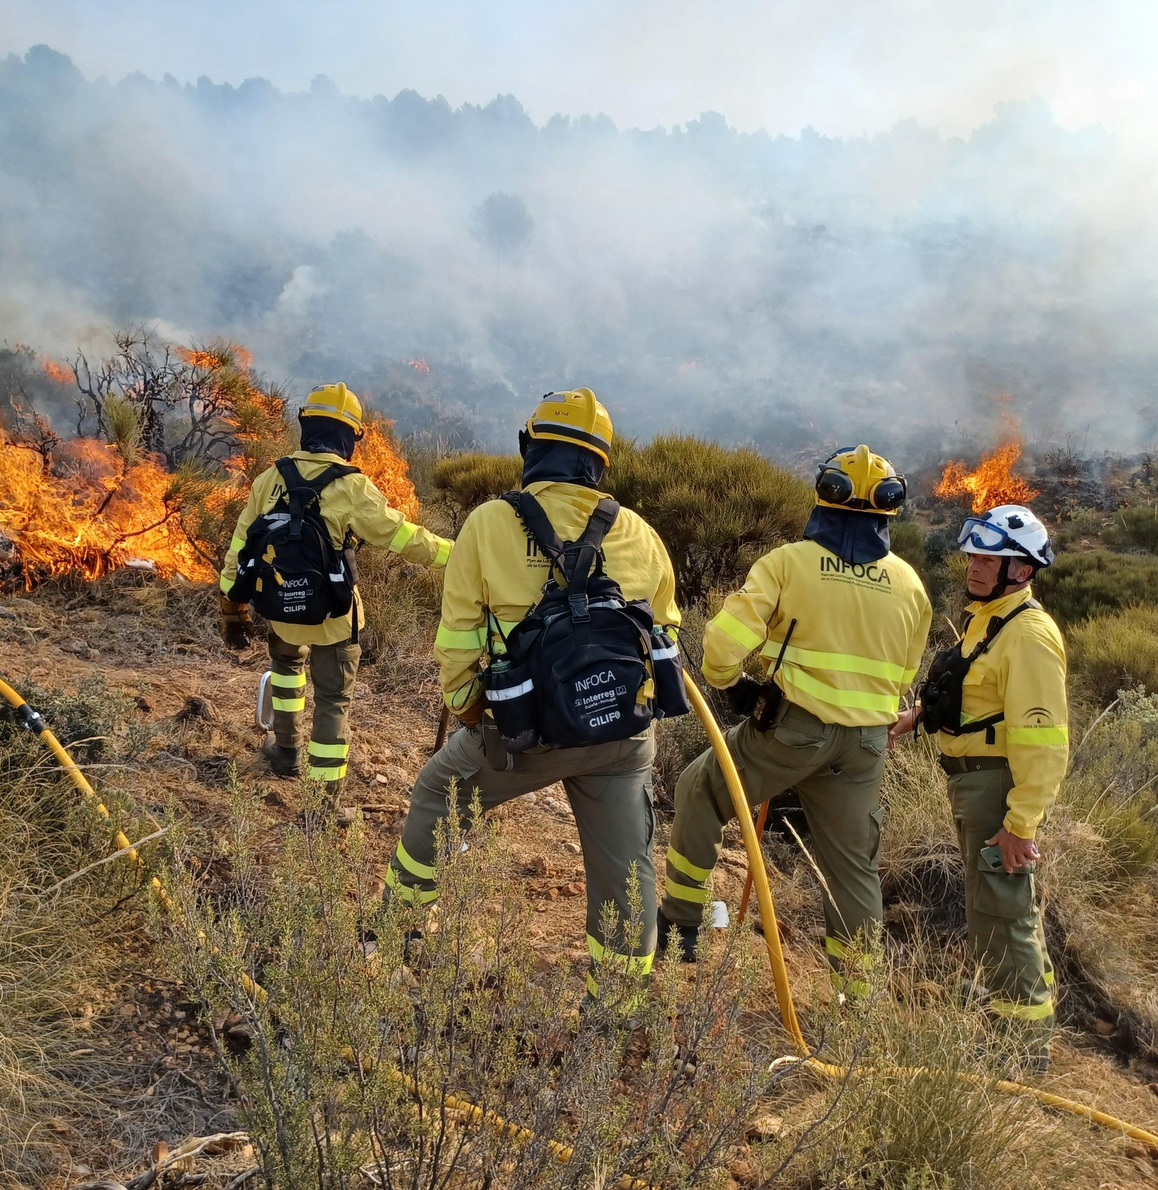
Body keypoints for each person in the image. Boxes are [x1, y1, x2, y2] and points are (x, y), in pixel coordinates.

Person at [383, 388, 682, 1002]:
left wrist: (471, 711)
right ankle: (620, 1003)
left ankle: (396, 931)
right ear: (601, 461)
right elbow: (666, 633)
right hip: (620, 736)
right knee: (627, 867)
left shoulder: (489, 523)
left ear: (530, 449)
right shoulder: (642, 535)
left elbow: (458, 643)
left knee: (437, 791)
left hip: (525, 734)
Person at [660, 445, 932, 1003]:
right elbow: (904, 673)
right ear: (888, 513)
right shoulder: (909, 584)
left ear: (823, 500)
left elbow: (719, 646)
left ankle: (683, 925)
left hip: (791, 732)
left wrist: (733, 686)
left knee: (701, 789)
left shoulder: (789, 563)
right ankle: (856, 1001)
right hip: (865, 746)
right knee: (852, 867)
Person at [889, 503, 1065, 1073]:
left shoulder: (1030, 635)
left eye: (991, 556)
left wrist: (1020, 824)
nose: (975, 564)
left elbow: (1044, 743)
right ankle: (1005, 1017)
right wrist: (919, 717)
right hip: (971, 785)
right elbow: (970, 697)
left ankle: (1020, 1054)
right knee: (991, 908)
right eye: (973, 553)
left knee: (1004, 911)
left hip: (997, 790)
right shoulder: (988, 623)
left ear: (1023, 569)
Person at [219, 382, 452, 792]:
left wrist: (231, 606)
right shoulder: (352, 486)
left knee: (287, 671)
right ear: (349, 436)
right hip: (334, 617)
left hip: (279, 608)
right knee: (332, 700)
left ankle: (285, 751)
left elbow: (241, 547)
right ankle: (324, 798)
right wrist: (456, 553)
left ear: (306, 425)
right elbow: (400, 536)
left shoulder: (269, 479)